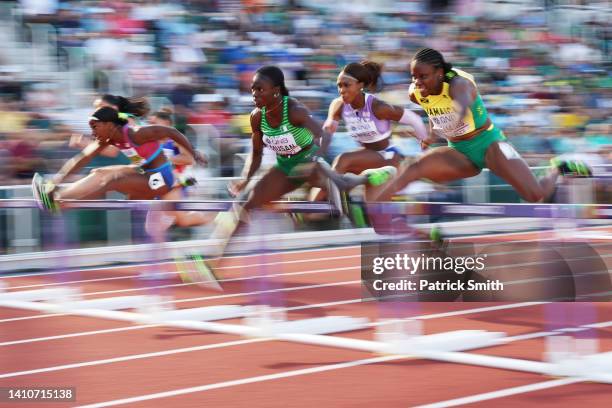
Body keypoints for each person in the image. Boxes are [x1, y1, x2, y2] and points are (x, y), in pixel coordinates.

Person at [323, 48, 591, 235]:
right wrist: (430, 134)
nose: (417, 82)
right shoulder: (417, 93)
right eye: (414, 76)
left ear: (440, 72)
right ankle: (375, 211)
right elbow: (433, 112)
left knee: (537, 196)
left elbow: (461, 104)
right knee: (413, 167)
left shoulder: (460, 84)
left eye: (423, 76)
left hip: (488, 144)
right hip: (458, 151)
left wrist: (451, 121)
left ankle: (557, 167)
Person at [181, 65, 337, 287]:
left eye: (260, 89)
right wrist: (245, 179)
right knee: (245, 203)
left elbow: (324, 138)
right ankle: (213, 262)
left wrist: (309, 162)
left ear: (276, 90)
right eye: (252, 89)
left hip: (311, 163)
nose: (254, 94)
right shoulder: (257, 117)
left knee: (339, 194)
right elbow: (255, 154)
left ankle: (315, 204)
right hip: (285, 168)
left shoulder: (294, 110)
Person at [309, 61, 427, 220]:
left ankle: (325, 206)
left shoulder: (378, 107)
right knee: (373, 215)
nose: (341, 90)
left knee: (343, 160)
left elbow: (415, 120)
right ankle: (314, 208)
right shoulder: (338, 105)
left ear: (360, 85)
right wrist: (316, 154)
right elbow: (328, 131)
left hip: (388, 158)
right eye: (339, 86)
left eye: (346, 85)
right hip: (366, 158)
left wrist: (423, 147)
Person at [32, 106, 205, 213]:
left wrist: (193, 153)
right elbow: (82, 158)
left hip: (160, 180)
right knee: (99, 172)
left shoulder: (137, 133)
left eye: (95, 127)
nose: (92, 133)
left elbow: (172, 132)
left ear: (109, 125)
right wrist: (56, 180)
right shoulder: (106, 139)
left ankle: (62, 203)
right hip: (143, 175)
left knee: (114, 179)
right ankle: (54, 195)